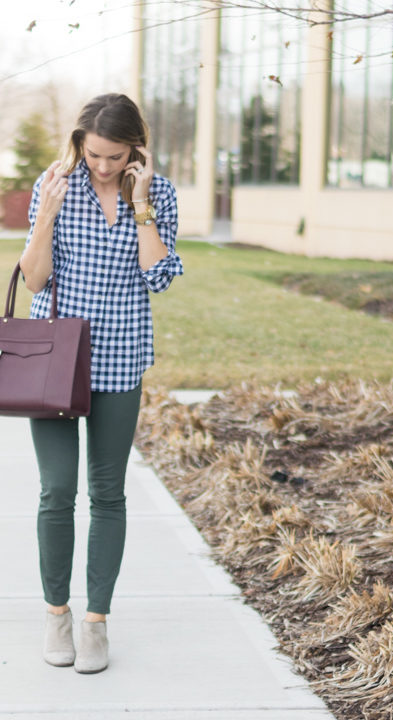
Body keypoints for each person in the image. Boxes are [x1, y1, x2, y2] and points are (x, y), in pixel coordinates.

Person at [20, 93, 183, 674]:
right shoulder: (56, 181)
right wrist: (44, 218)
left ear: (135, 148)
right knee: (57, 491)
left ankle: (95, 624)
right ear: (80, 143)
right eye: (95, 154)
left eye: (116, 156)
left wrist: (140, 205)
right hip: (56, 361)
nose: (105, 166)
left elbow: (160, 275)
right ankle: (56, 614)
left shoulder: (157, 193)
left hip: (120, 359)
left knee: (107, 492)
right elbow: (35, 277)